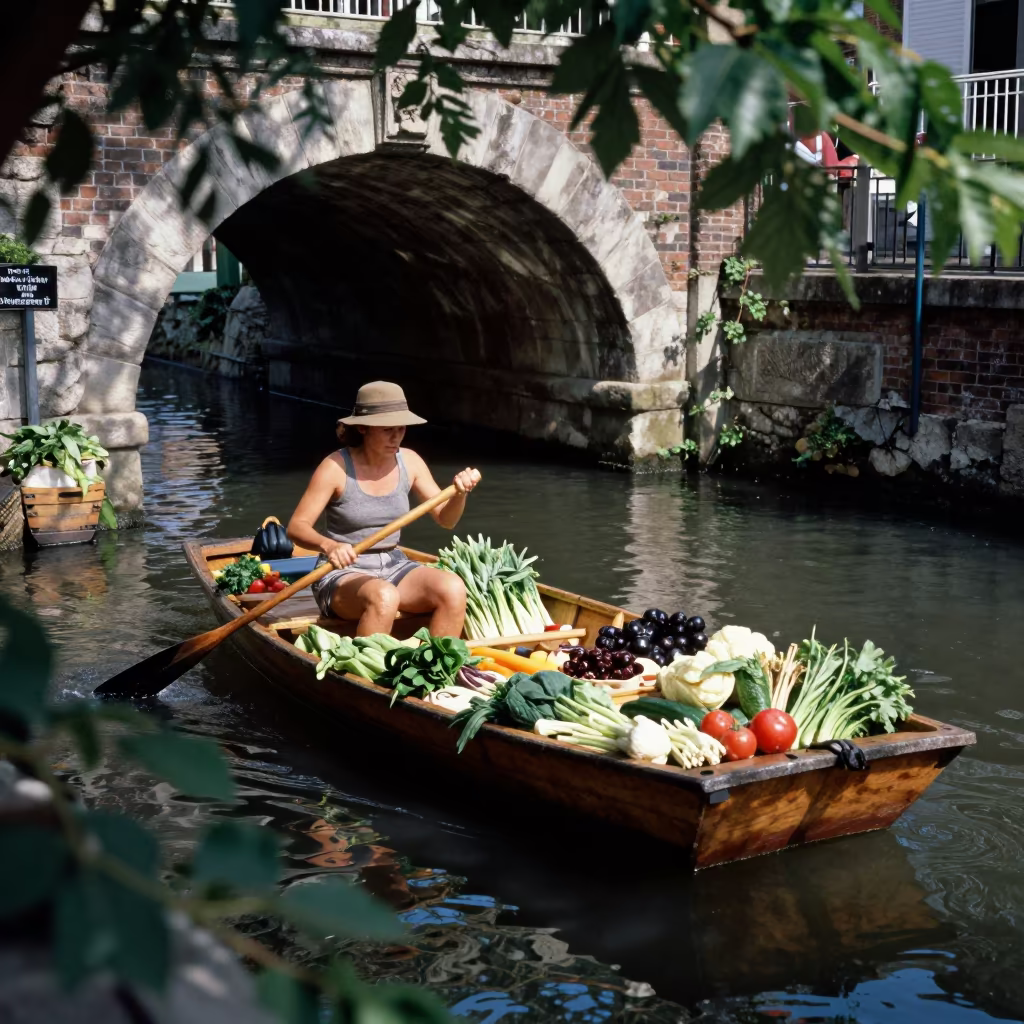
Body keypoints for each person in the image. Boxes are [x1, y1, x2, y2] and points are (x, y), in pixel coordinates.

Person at [286, 381, 480, 638]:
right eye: (388, 429)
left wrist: (459, 494)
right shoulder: (335, 467)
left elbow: (446, 520)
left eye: (401, 429)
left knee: (453, 588)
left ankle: (435, 671)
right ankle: (364, 674)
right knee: (384, 596)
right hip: (342, 574)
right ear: (363, 428)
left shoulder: (410, 461)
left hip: (393, 565)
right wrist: (330, 546)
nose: (396, 437)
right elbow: (296, 528)